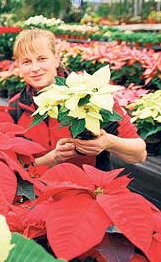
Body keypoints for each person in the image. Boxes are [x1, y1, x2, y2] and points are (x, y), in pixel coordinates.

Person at [8, 29, 147, 170]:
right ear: (18, 65)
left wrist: (109, 142)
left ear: (56, 59)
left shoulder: (89, 97)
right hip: (39, 189)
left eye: (42, 59)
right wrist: (52, 158)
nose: (35, 68)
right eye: (26, 62)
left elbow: (139, 154)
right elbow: (15, 166)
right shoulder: (15, 107)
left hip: (91, 188)